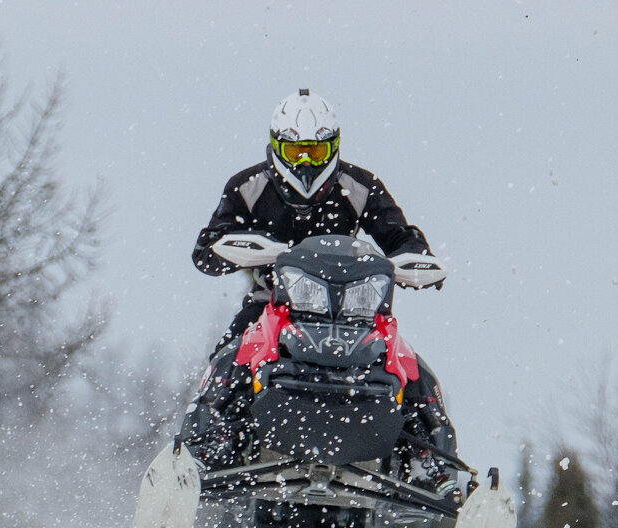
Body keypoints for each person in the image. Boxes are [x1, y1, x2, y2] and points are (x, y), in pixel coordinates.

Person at [184, 89, 458, 497]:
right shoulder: (249, 186)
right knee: (230, 354)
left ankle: (428, 459)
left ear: (333, 145)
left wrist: (416, 261)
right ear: (277, 146)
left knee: (408, 366)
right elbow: (207, 249)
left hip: (354, 312)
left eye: (315, 150)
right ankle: (210, 443)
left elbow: (399, 235)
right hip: (272, 305)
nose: (306, 161)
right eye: (296, 152)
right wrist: (238, 248)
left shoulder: (358, 186)